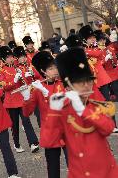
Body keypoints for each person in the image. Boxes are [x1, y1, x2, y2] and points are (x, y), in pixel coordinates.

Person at [46, 48, 118, 178]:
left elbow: (108, 128)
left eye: (88, 80)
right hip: (79, 173)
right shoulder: (63, 111)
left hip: (106, 173)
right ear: (68, 86)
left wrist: (82, 110)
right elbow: (49, 141)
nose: (86, 85)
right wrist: (53, 112)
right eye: (80, 82)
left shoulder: (98, 105)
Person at [21, 51, 67, 178]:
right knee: (53, 169)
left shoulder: (63, 83)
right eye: (51, 68)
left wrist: (47, 95)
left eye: (55, 67)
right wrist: (26, 98)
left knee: (76, 165)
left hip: (67, 130)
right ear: (43, 71)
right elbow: (26, 113)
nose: (55, 70)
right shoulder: (38, 88)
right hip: (50, 132)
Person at [0, 46, 39, 153]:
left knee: (26, 120)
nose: (11, 59)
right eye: (8, 57)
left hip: (20, 98)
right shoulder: (0, 71)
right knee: (14, 125)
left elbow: (24, 83)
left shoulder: (17, 68)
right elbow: (4, 87)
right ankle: (16, 144)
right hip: (11, 101)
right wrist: (14, 81)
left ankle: (33, 143)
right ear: (3, 59)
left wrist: (27, 76)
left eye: (11, 56)